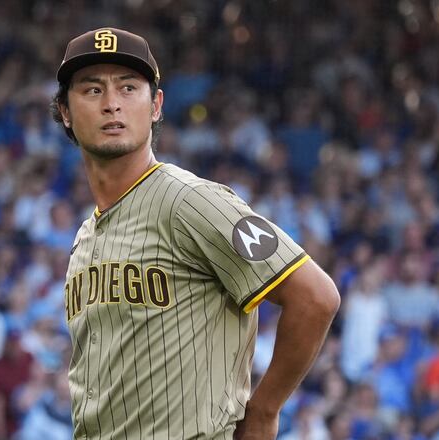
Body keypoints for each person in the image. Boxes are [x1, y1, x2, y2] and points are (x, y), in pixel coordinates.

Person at [51, 27, 340, 439]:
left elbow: (315, 296)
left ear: (156, 106)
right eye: (92, 90)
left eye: (129, 87)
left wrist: (263, 411)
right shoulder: (85, 235)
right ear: (65, 110)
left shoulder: (190, 201)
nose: (112, 103)